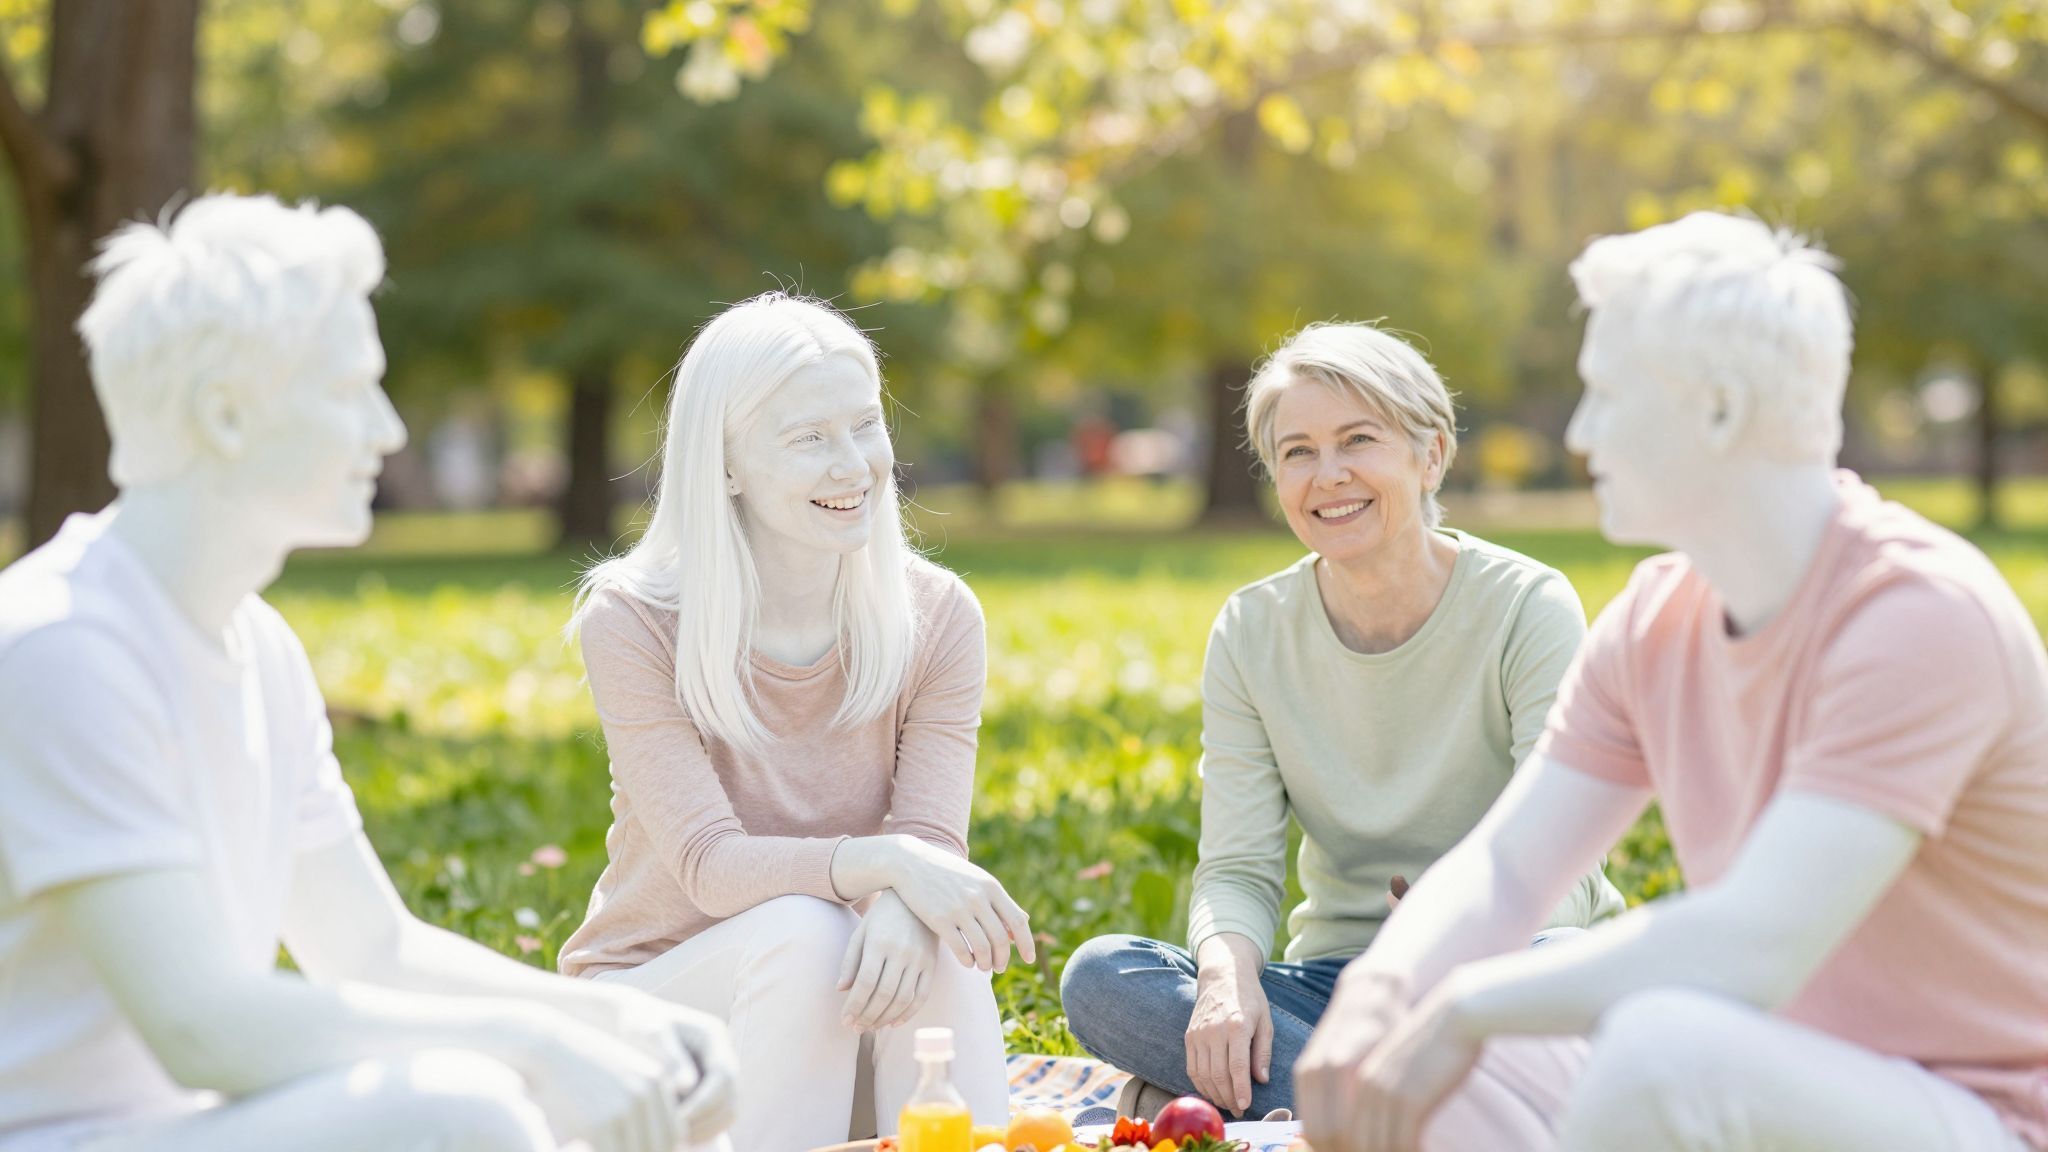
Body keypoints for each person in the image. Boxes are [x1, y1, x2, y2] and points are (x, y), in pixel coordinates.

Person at [1294, 212, 2048, 1152]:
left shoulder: (1917, 617)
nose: (1579, 430)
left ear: (1720, 410)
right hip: (1769, 1073)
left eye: (1607, 394)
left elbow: (1750, 946)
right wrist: (1382, 997)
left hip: (1976, 1119)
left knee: (1657, 1050)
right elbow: (1510, 866)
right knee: (1413, 1057)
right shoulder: (1658, 619)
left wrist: (1466, 1003)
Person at [0, 194, 735, 1152]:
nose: (388, 430)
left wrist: (614, 1025)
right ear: (226, 414)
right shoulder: (61, 648)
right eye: (352, 389)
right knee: (463, 1110)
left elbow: (369, 950)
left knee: (616, 1088)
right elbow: (201, 1029)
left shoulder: (257, 645)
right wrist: (536, 1047)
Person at [1060, 323, 1624, 1122]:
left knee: (1573, 977)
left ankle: (1290, 1105)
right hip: (1337, 983)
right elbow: (1238, 869)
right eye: (1297, 452)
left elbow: (1564, 854)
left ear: (1431, 455)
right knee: (1103, 978)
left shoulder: (1527, 606)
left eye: (1358, 440)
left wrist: (1447, 929)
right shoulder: (1252, 630)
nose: (1329, 476)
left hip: (1507, 956)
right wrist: (1225, 980)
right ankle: (1432, 1120)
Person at [557, 292, 1037, 1152]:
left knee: (937, 946)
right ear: (727, 464)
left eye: (864, 425)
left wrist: (908, 898)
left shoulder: (939, 617)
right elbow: (710, 866)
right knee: (806, 930)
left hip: (829, 1014)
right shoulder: (632, 620)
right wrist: (888, 867)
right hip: (662, 1019)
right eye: (808, 438)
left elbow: (933, 840)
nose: (852, 465)